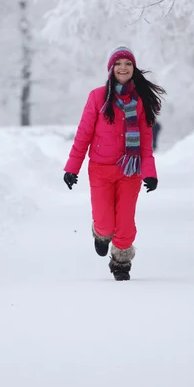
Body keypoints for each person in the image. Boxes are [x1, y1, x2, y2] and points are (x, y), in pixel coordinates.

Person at [63, 46, 166, 281]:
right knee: (105, 223)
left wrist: (150, 173)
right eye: (119, 63)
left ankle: (121, 261)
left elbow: (145, 142)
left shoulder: (141, 101)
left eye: (128, 64)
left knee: (126, 223)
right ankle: (100, 234)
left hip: (131, 171)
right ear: (111, 69)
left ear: (133, 68)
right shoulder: (97, 97)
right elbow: (83, 134)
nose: (123, 67)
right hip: (100, 169)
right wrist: (72, 168)